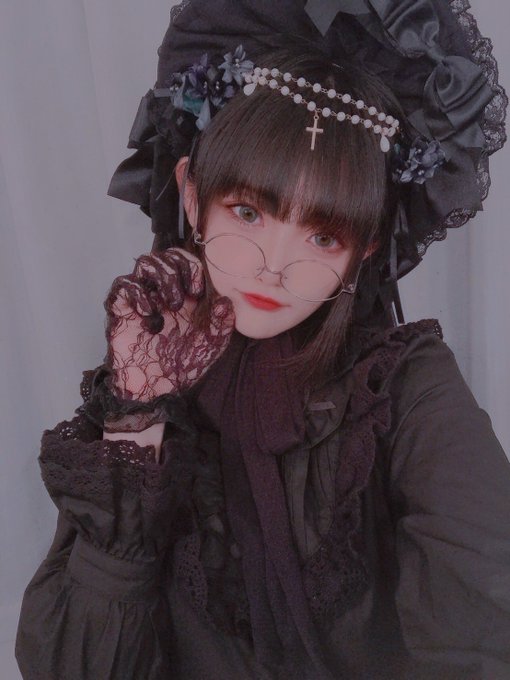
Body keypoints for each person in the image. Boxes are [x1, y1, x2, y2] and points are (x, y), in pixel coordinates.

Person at [14, 1, 510, 679]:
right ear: (192, 197)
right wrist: (137, 416)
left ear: (365, 248)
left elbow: (485, 613)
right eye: (248, 212)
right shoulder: (154, 377)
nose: (275, 266)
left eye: (323, 235)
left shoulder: (405, 388)